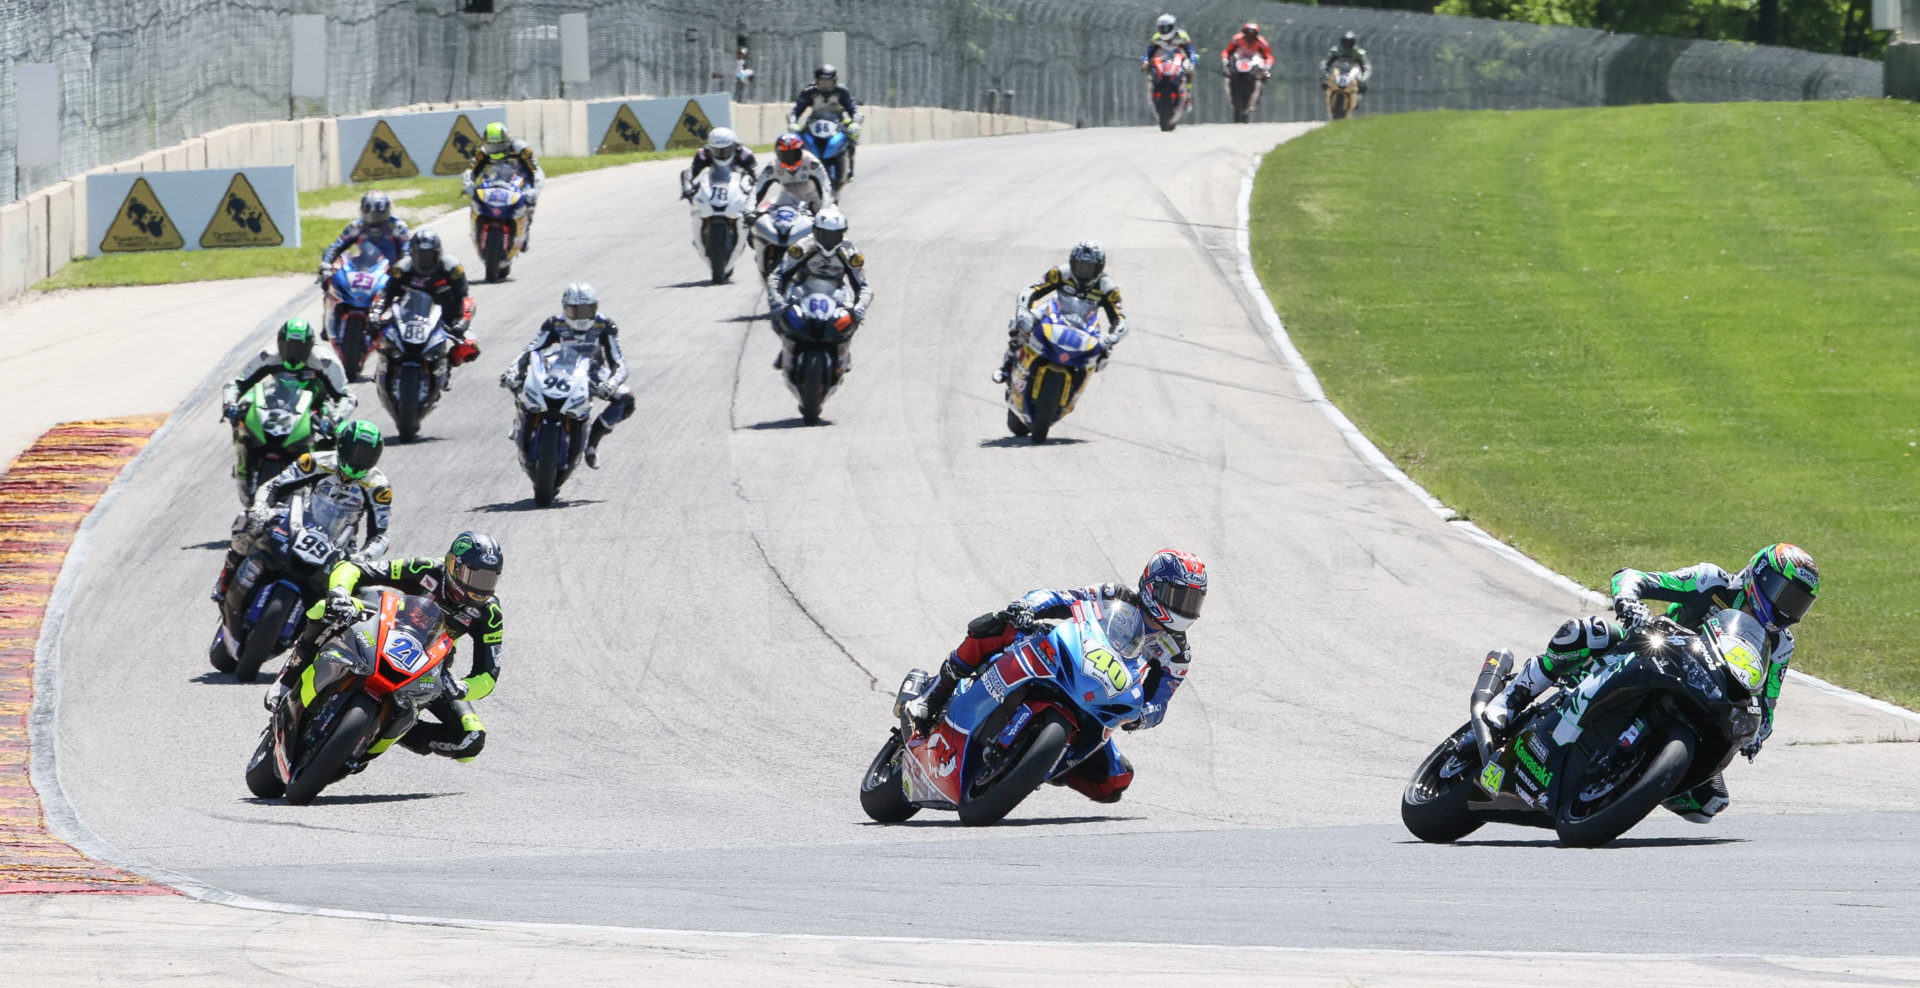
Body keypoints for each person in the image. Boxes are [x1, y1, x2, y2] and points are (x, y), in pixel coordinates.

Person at [1482, 544, 1820, 823]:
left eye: (1798, 604)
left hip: (1703, 699)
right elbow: (1632, 578)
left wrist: (1758, 733)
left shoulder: (1781, 645)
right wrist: (1630, 602)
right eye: (1785, 595)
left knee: (1709, 802)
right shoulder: (1712, 582)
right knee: (1590, 632)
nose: (1786, 610)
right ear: (1759, 577)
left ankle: (1632, 774)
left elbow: (1768, 699)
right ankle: (1513, 696)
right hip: (1648, 656)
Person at [905, 549, 1209, 803]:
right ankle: (936, 694)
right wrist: (1027, 606)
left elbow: (1160, 701)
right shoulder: (1113, 595)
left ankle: (1037, 764)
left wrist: (1143, 717)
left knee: (1114, 783)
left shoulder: (1177, 654)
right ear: (1153, 587)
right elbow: (1062, 598)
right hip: (1067, 661)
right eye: (1179, 596)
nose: (1185, 608)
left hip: (1100, 702)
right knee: (1003, 626)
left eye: (1193, 601)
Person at [274, 532, 504, 765]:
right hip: (383, 630)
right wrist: (340, 592)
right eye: (475, 577)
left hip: (428, 667)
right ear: (453, 565)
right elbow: (355, 569)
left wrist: (462, 688)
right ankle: (287, 679)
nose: (480, 588)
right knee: (325, 609)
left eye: (489, 580)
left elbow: (488, 674)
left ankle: (383, 731)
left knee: (471, 739)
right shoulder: (424, 568)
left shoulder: (489, 613)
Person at [213, 420, 392, 604]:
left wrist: (363, 556)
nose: (359, 460)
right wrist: (260, 507)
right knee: (246, 521)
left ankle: (330, 631)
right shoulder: (317, 462)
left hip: (342, 546)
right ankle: (226, 579)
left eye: (368, 456)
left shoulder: (378, 487)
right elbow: (274, 485)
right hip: (299, 523)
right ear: (342, 446)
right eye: (356, 452)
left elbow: (380, 535)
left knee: (372, 596)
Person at [219, 318, 358, 503]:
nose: (292, 353)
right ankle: (244, 464)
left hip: (316, 405)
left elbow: (347, 397)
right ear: (279, 342)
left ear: (310, 346)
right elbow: (237, 383)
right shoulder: (268, 355)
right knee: (242, 413)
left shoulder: (325, 361)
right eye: (288, 346)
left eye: (299, 347)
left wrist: (334, 418)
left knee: (337, 435)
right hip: (279, 399)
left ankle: (327, 492)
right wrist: (230, 404)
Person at [499, 283, 633, 470]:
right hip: (560, 366)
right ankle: (522, 420)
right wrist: (513, 369)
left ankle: (592, 444)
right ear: (564, 308)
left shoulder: (605, 325)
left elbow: (618, 361)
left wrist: (611, 383)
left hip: (592, 370)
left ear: (595, 308)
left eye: (585, 311)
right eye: (574, 311)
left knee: (626, 400)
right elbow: (532, 349)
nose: (580, 317)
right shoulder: (555, 323)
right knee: (519, 379)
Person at [994, 240, 1129, 384]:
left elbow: (1120, 319)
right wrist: (1023, 311)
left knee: (1102, 355)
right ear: (1072, 263)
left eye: (1089, 268)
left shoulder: (1108, 288)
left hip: (1086, 323)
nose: (1083, 272)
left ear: (1099, 268)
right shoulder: (1060, 273)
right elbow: (1031, 289)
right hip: (1054, 311)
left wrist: (1111, 338)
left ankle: (1076, 387)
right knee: (1017, 324)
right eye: (1080, 266)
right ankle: (1006, 366)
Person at [767, 208, 873, 371]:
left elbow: (864, 287)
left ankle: (844, 349)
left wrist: (860, 308)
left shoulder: (850, 252)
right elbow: (777, 276)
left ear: (842, 234)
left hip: (836, 291)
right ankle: (786, 346)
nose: (828, 241)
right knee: (780, 315)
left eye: (833, 235)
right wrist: (777, 301)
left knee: (852, 317)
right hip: (803, 288)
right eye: (823, 234)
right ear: (815, 231)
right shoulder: (801, 247)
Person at [375, 230, 479, 389]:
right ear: (412, 254)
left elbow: (466, 298)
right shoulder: (401, 268)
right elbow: (385, 294)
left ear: (438, 254)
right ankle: (386, 365)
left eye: (429, 255)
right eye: (420, 255)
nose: (424, 260)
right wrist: (375, 313)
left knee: (471, 346)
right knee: (373, 328)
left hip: (446, 318)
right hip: (407, 315)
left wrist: (463, 321)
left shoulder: (452, 268)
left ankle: (447, 366)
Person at [467, 122, 545, 251]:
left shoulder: (522, 149)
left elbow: (537, 170)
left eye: (499, 145)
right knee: (476, 200)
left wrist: (535, 190)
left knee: (530, 202)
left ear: (506, 141)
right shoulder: (482, 152)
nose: (495, 150)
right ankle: (477, 228)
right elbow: (471, 171)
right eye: (491, 146)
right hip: (495, 180)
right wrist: (469, 184)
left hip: (520, 181)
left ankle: (525, 229)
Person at [788, 64, 864, 182]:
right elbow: (795, 111)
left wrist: (855, 123)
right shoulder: (809, 92)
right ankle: (796, 168)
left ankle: (850, 167)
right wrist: (793, 123)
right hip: (814, 121)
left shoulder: (842, 92)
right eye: (822, 81)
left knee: (851, 135)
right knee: (797, 139)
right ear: (816, 81)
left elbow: (853, 109)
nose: (826, 85)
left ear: (834, 81)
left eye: (829, 82)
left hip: (837, 121)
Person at [317, 191, 411, 277]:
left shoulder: (398, 227)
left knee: (405, 286)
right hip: (362, 273)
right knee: (331, 282)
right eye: (371, 214)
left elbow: (407, 251)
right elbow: (337, 246)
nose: (374, 218)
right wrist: (326, 262)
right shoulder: (356, 226)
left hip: (391, 273)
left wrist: (403, 265)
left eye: (379, 214)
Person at [750, 134, 836, 216]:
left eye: (794, 153)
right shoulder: (773, 166)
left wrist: (824, 209)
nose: (789, 159)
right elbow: (757, 188)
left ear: (802, 150)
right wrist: (749, 211)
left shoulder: (812, 163)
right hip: (787, 202)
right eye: (784, 154)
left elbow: (826, 187)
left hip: (813, 201)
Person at [679, 127, 759, 199]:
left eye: (726, 149)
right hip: (713, 185)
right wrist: (687, 187)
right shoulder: (704, 153)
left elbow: (756, 175)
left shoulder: (744, 153)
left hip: (739, 187)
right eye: (716, 150)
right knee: (695, 188)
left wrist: (752, 189)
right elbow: (691, 171)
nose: (722, 154)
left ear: (734, 146)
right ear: (710, 147)